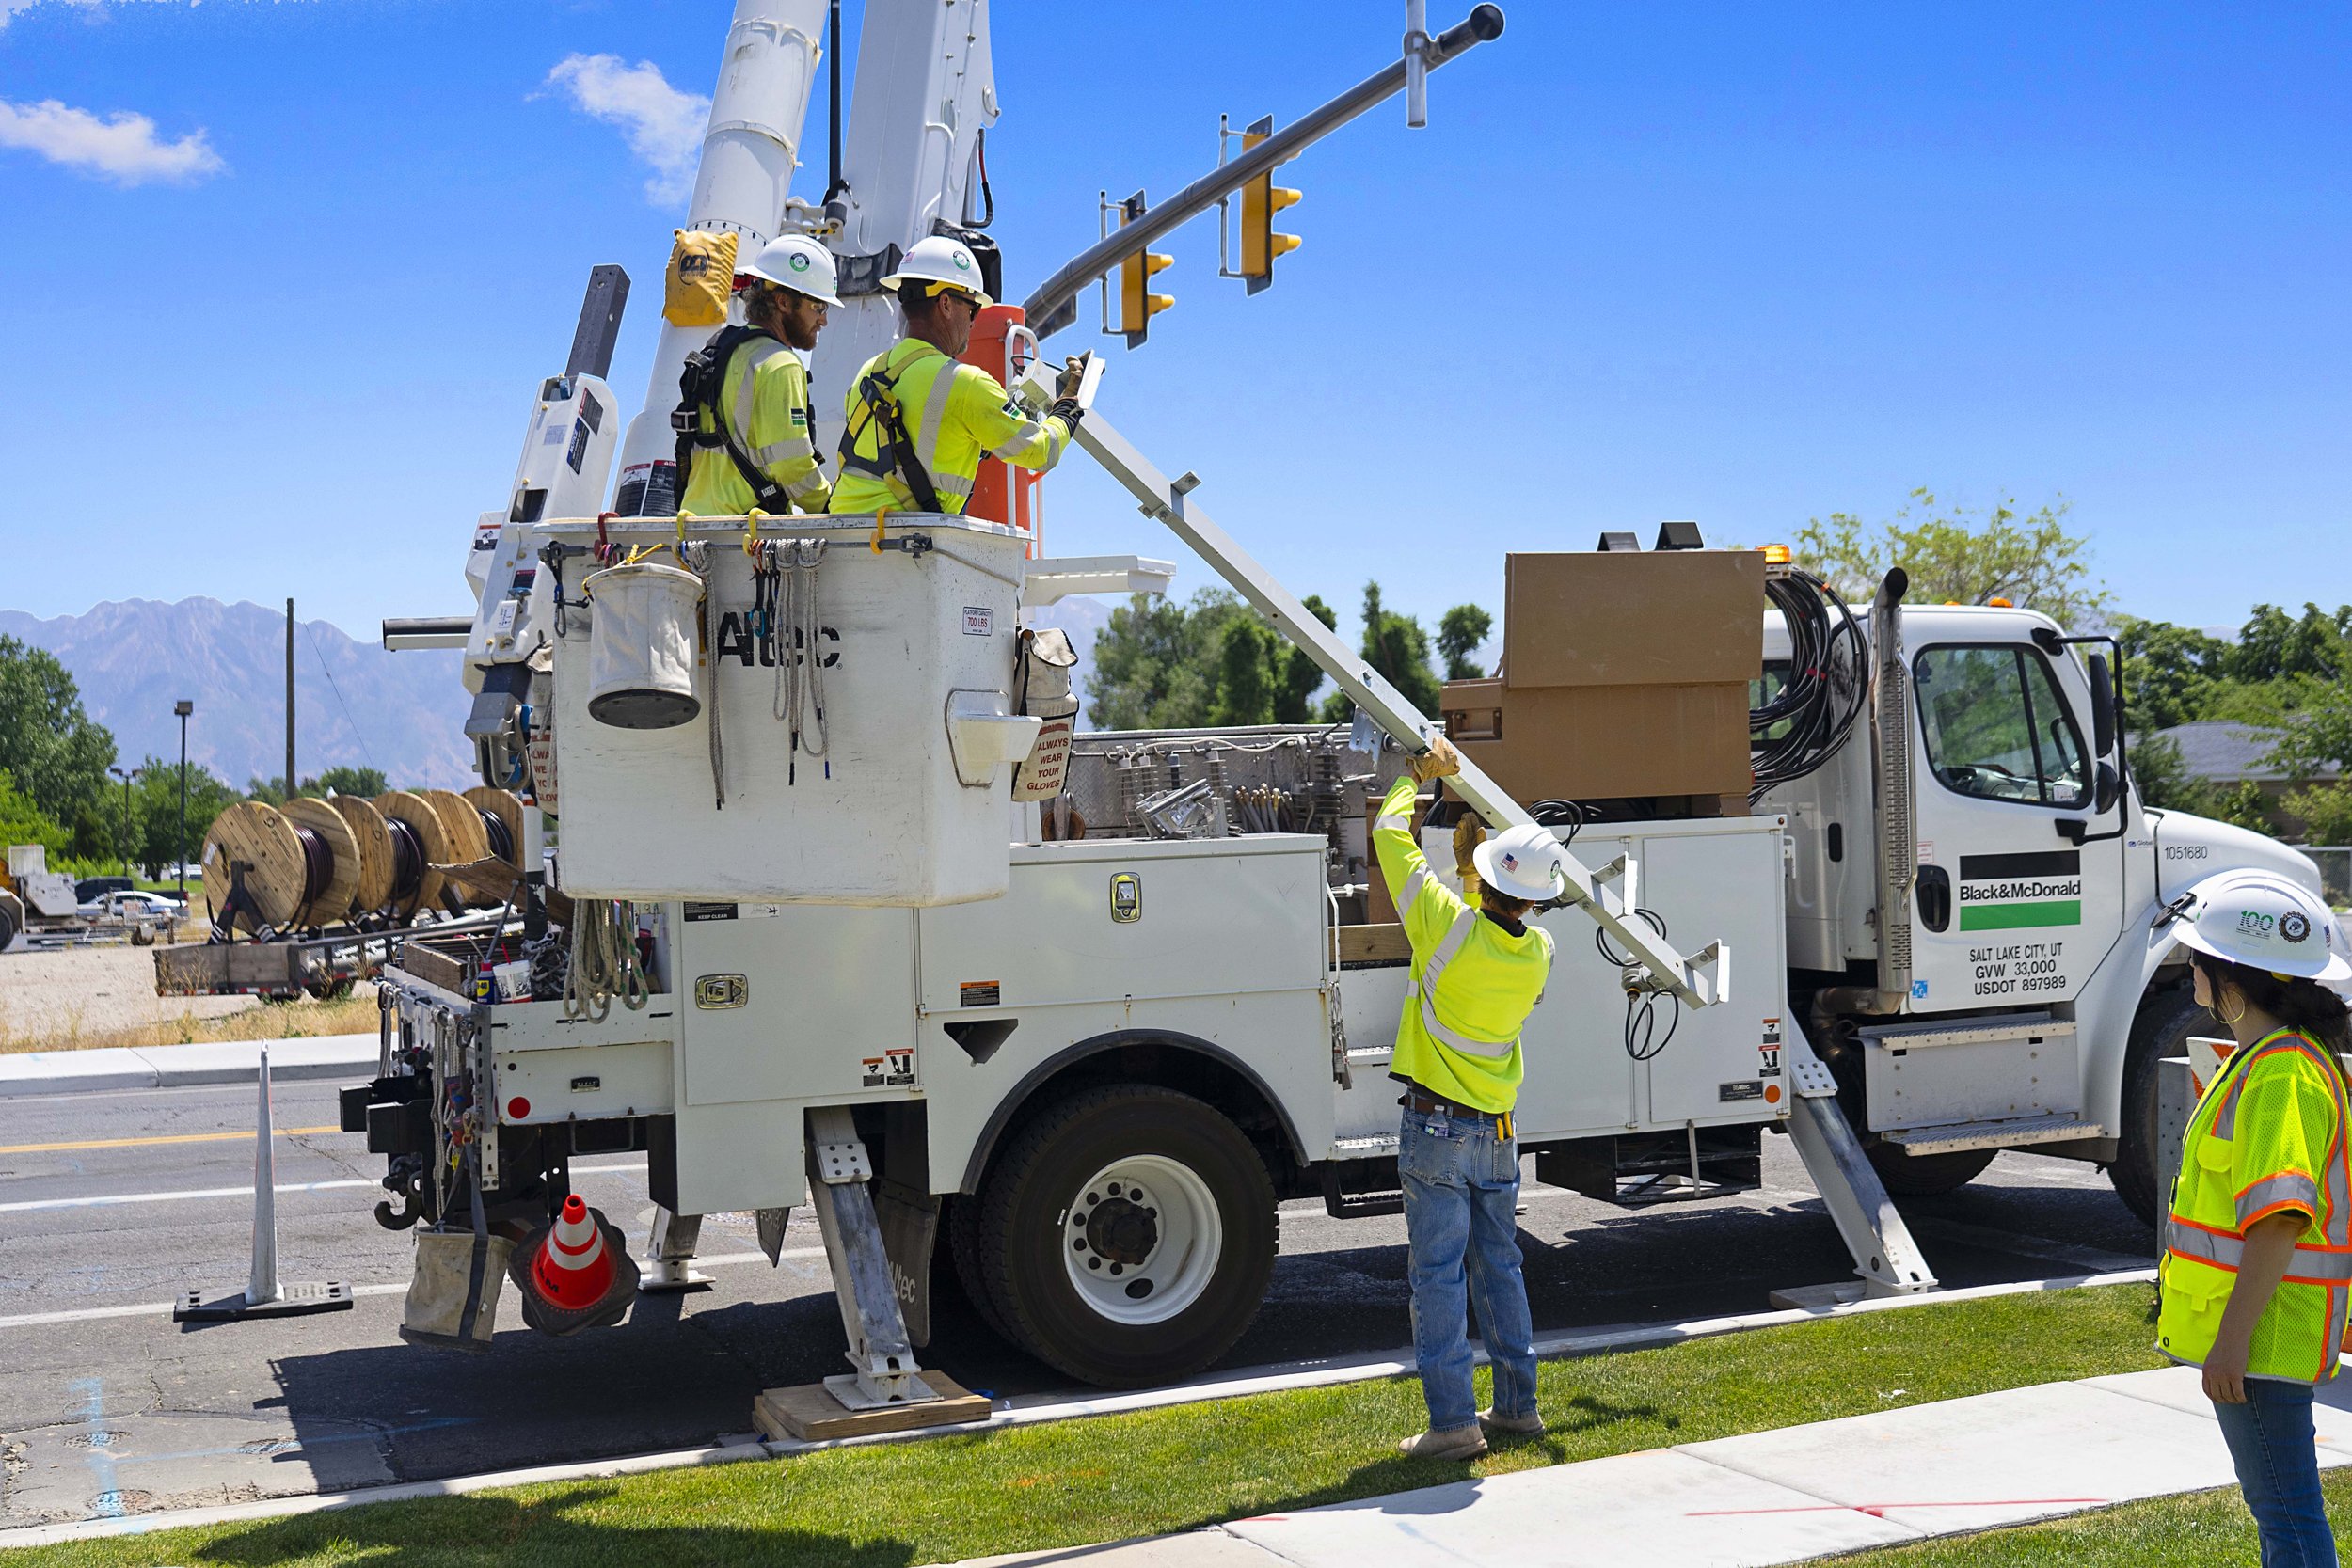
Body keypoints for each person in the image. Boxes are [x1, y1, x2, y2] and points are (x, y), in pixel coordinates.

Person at [1372, 734, 1568, 1460]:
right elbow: (1491, 931)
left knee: (1436, 1277)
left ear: (1486, 881)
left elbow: (1391, 836)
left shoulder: (1441, 922)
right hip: (1499, 1132)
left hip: (1436, 1130)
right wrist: (1470, 871)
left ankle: (1453, 1424)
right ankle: (1518, 1407)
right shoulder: (1540, 954)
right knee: (1501, 1266)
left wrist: (1414, 778)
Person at [2159, 866, 2352, 1566]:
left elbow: (2278, 1222)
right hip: (2261, 1335)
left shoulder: (2282, 1076)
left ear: (2234, 983)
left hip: (2265, 1338)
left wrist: (2232, 1342)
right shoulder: (2267, 1062)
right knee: (2282, 1513)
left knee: (2289, 1519)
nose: (2190, 978)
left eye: (2197, 965)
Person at [830, 234, 1086, 516]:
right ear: (946, 304)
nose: (974, 321)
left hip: (844, 539)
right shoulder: (966, 384)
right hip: (903, 551)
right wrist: (1068, 406)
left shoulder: (868, 372)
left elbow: (898, 446)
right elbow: (1041, 451)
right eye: (973, 308)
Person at [676, 233, 840, 516]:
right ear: (784, 302)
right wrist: (832, 505)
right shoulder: (781, 364)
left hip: (693, 523)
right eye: (818, 307)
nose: (823, 319)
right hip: (744, 536)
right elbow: (791, 464)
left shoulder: (720, 348)